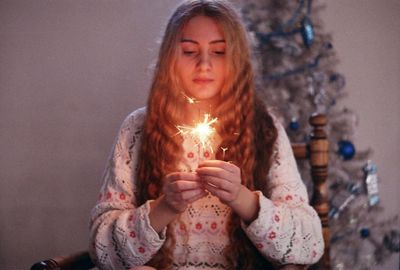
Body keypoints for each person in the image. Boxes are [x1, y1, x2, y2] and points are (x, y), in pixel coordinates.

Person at [89, 0, 324, 269]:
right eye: (189, 51)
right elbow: (101, 248)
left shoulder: (264, 129)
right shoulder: (138, 129)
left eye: (219, 52)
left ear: (236, 60)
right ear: (169, 59)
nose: (204, 64)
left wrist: (241, 198)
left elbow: (310, 244)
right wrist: (165, 207)